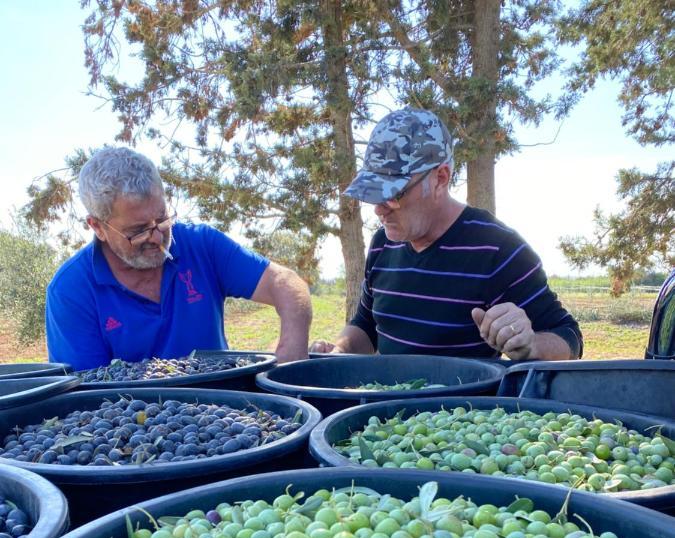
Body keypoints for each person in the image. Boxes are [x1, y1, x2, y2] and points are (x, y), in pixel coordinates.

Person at [311, 108, 582, 360]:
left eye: (392, 194)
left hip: (462, 411)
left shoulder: (497, 250)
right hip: (388, 410)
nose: (379, 210)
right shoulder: (383, 244)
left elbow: (569, 338)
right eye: (372, 193)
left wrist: (531, 343)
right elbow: (367, 325)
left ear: (440, 178)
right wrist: (339, 349)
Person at [46, 147, 312, 370]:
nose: (156, 236)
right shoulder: (71, 291)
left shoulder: (202, 245)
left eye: (162, 219)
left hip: (225, 415)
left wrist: (291, 352)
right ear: (98, 227)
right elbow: (92, 396)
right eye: (137, 231)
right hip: (137, 425)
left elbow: (286, 284)